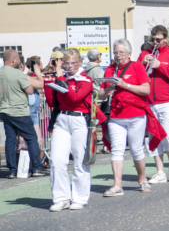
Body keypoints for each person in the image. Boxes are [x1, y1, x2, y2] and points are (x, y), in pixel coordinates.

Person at [48, 49, 105, 211]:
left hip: (79, 120)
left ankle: (80, 197)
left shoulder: (85, 80)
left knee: (80, 161)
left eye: (74, 63)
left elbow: (74, 98)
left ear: (80, 62)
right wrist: (49, 80)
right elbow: (52, 101)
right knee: (57, 160)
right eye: (67, 63)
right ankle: (61, 198)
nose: (70, 66)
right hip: (62, 120)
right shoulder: (62, 78)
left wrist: (60, 79)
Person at [100, 39, 154, 196]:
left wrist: (126, 85)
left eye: (121, 52)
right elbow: (102, 94)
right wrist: (106, 91)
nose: (118, 55)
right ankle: (117, 185)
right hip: (116, 116)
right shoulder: (109, 69)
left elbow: (146, 90)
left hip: (136, 115)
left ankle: (142, 177)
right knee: (117, 150)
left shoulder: (137, 67)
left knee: (136, 149)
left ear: (129, 54)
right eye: (116, 52)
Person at [137, 25, 169, 184]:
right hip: (149, 101)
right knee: (154, 137)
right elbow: (136, 74)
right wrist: (142, 63)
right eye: (152, 39)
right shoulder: (144, 54)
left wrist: (160, 66)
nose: (154, 43)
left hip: (168, 101)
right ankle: (160, 171)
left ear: (165, 39)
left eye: (158, 40)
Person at [0, 50, 48, 178]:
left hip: (5, 110)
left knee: (10, 140)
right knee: (31, 138)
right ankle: (36, 167)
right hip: (19, 111)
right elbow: (30, 90)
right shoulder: (17, 73)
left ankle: (12, 170)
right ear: (14, 60)